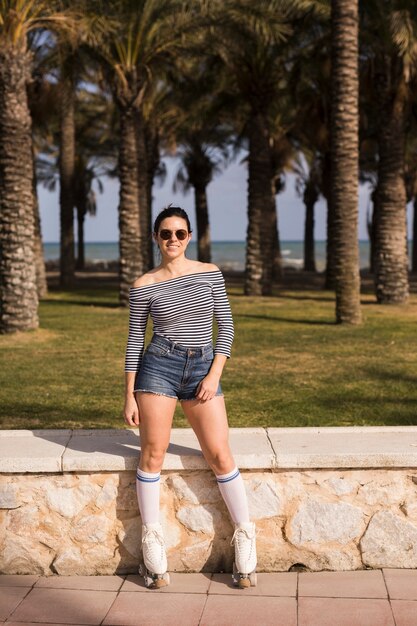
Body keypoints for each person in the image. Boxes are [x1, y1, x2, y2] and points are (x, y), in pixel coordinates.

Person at [123, 205, 257, 589]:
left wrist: (214, 375)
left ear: (189, 236)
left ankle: (245, 535)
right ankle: (152, 541)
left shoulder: (210, 274)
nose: (173, 240)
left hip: (202, 369)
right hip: (158, 367)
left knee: (219, 452)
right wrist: (130, 394)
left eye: (180, 233)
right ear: (155, 238)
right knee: (153, 452)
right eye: (165, 234)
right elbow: (135, 342)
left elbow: (227, 328)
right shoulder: (143, 284)